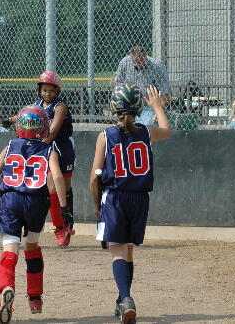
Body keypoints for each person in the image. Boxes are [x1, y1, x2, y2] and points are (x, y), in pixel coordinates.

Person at [89, 84, 171, 324]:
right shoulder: (146, 132)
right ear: (137, 108)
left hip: (115, 197)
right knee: (128, 250)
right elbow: (167, 130)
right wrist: (157, 107)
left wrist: (97, 206)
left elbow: (94, 177)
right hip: (140, 199)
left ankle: (126, 298)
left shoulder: (106, 136)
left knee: (117, 251)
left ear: (113, 107)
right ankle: (121, 300)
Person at [0, 106, 68, 323]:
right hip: (36, 202)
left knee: (9, 249)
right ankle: (34, 298)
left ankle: (6, 288)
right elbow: (57, 178)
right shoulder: (49, 149)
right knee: (31, 246)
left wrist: (6, 183)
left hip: (11, 200)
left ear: (19, 126)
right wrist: (63, 208)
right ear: (43, 127)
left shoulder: (10, 146)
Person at [34, 70, 76, 248]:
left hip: (62, 148)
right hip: (47, 148)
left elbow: (52, 132)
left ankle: (68, 221)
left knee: (64, 188)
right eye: (44, 90)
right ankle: (60, 227)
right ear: (39, 90)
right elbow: (24, 116)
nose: (47, 94)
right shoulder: (37, 105)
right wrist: (12, 119)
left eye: (51, 90)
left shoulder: (60, 107)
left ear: (57, 91)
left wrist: (35, 141)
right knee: (52, 187)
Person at [114, 45, 172, 125]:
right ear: (131, 56)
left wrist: (159, 111)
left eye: (141, 59)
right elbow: (117, 86)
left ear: (145, 55)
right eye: (136, 61)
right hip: (131, 106)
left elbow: (165, 93)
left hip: (151, 107)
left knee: (146, 126)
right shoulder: (125, 63)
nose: (139, 63)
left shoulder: (157, 66)